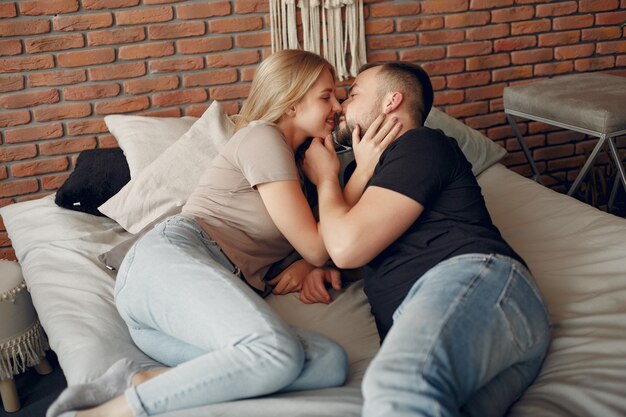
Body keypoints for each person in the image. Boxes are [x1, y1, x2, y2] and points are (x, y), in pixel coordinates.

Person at [46, 50, 399, 417]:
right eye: (326, 96)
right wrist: (351, 176)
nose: (338, 106)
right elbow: (315, 245)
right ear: (292, 103)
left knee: (328, 362)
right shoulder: (263, 138)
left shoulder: (300, 168)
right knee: (274, 351)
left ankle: (141, 379)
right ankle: (101, 413)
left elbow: (325, 238)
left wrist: (309, 261)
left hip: (189, 301)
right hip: (173, 259)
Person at [302, 61, 551, 417]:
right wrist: (328, 268)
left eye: (353, 94)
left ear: (391, 101)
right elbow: (350, 244)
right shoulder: (363, 170)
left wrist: (326, 178)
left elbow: (346, 247)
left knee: (396, 387)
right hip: (477, 323)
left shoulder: (420, 144)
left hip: (471, 283)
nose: (340, 106)